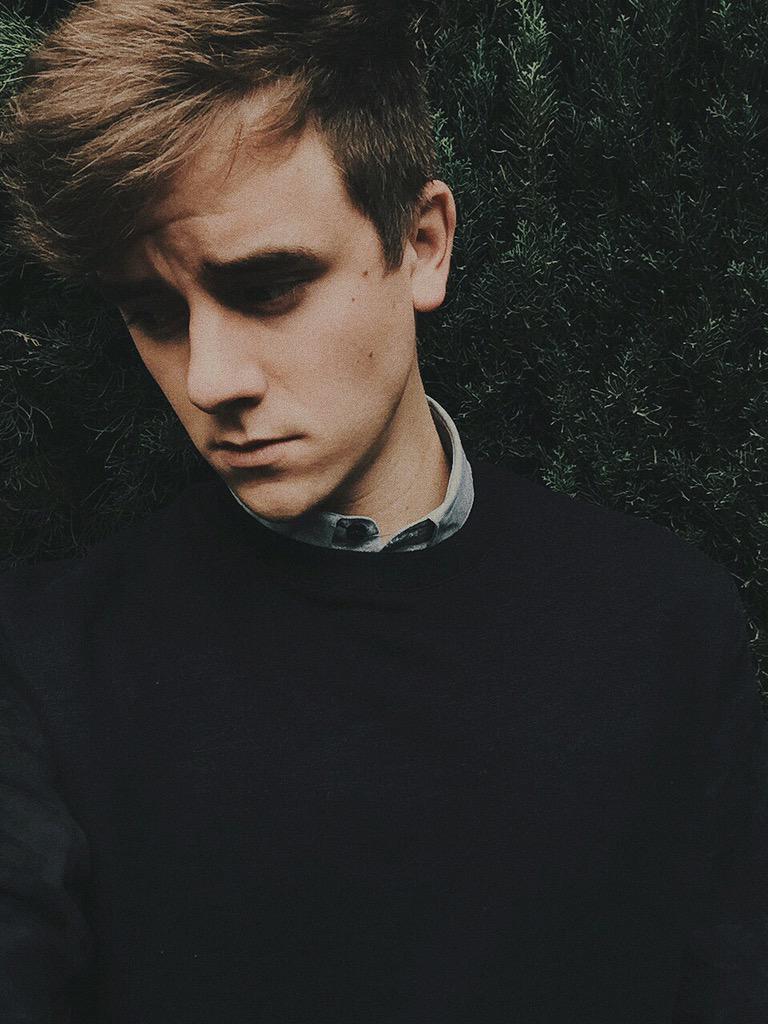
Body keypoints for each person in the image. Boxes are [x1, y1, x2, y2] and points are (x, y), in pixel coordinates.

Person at [0, 2, 766, 1021]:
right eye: (154, 313)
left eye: (268, 287)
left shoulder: (665, 623)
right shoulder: (43, 661)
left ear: (422, 243)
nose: (210, 378)